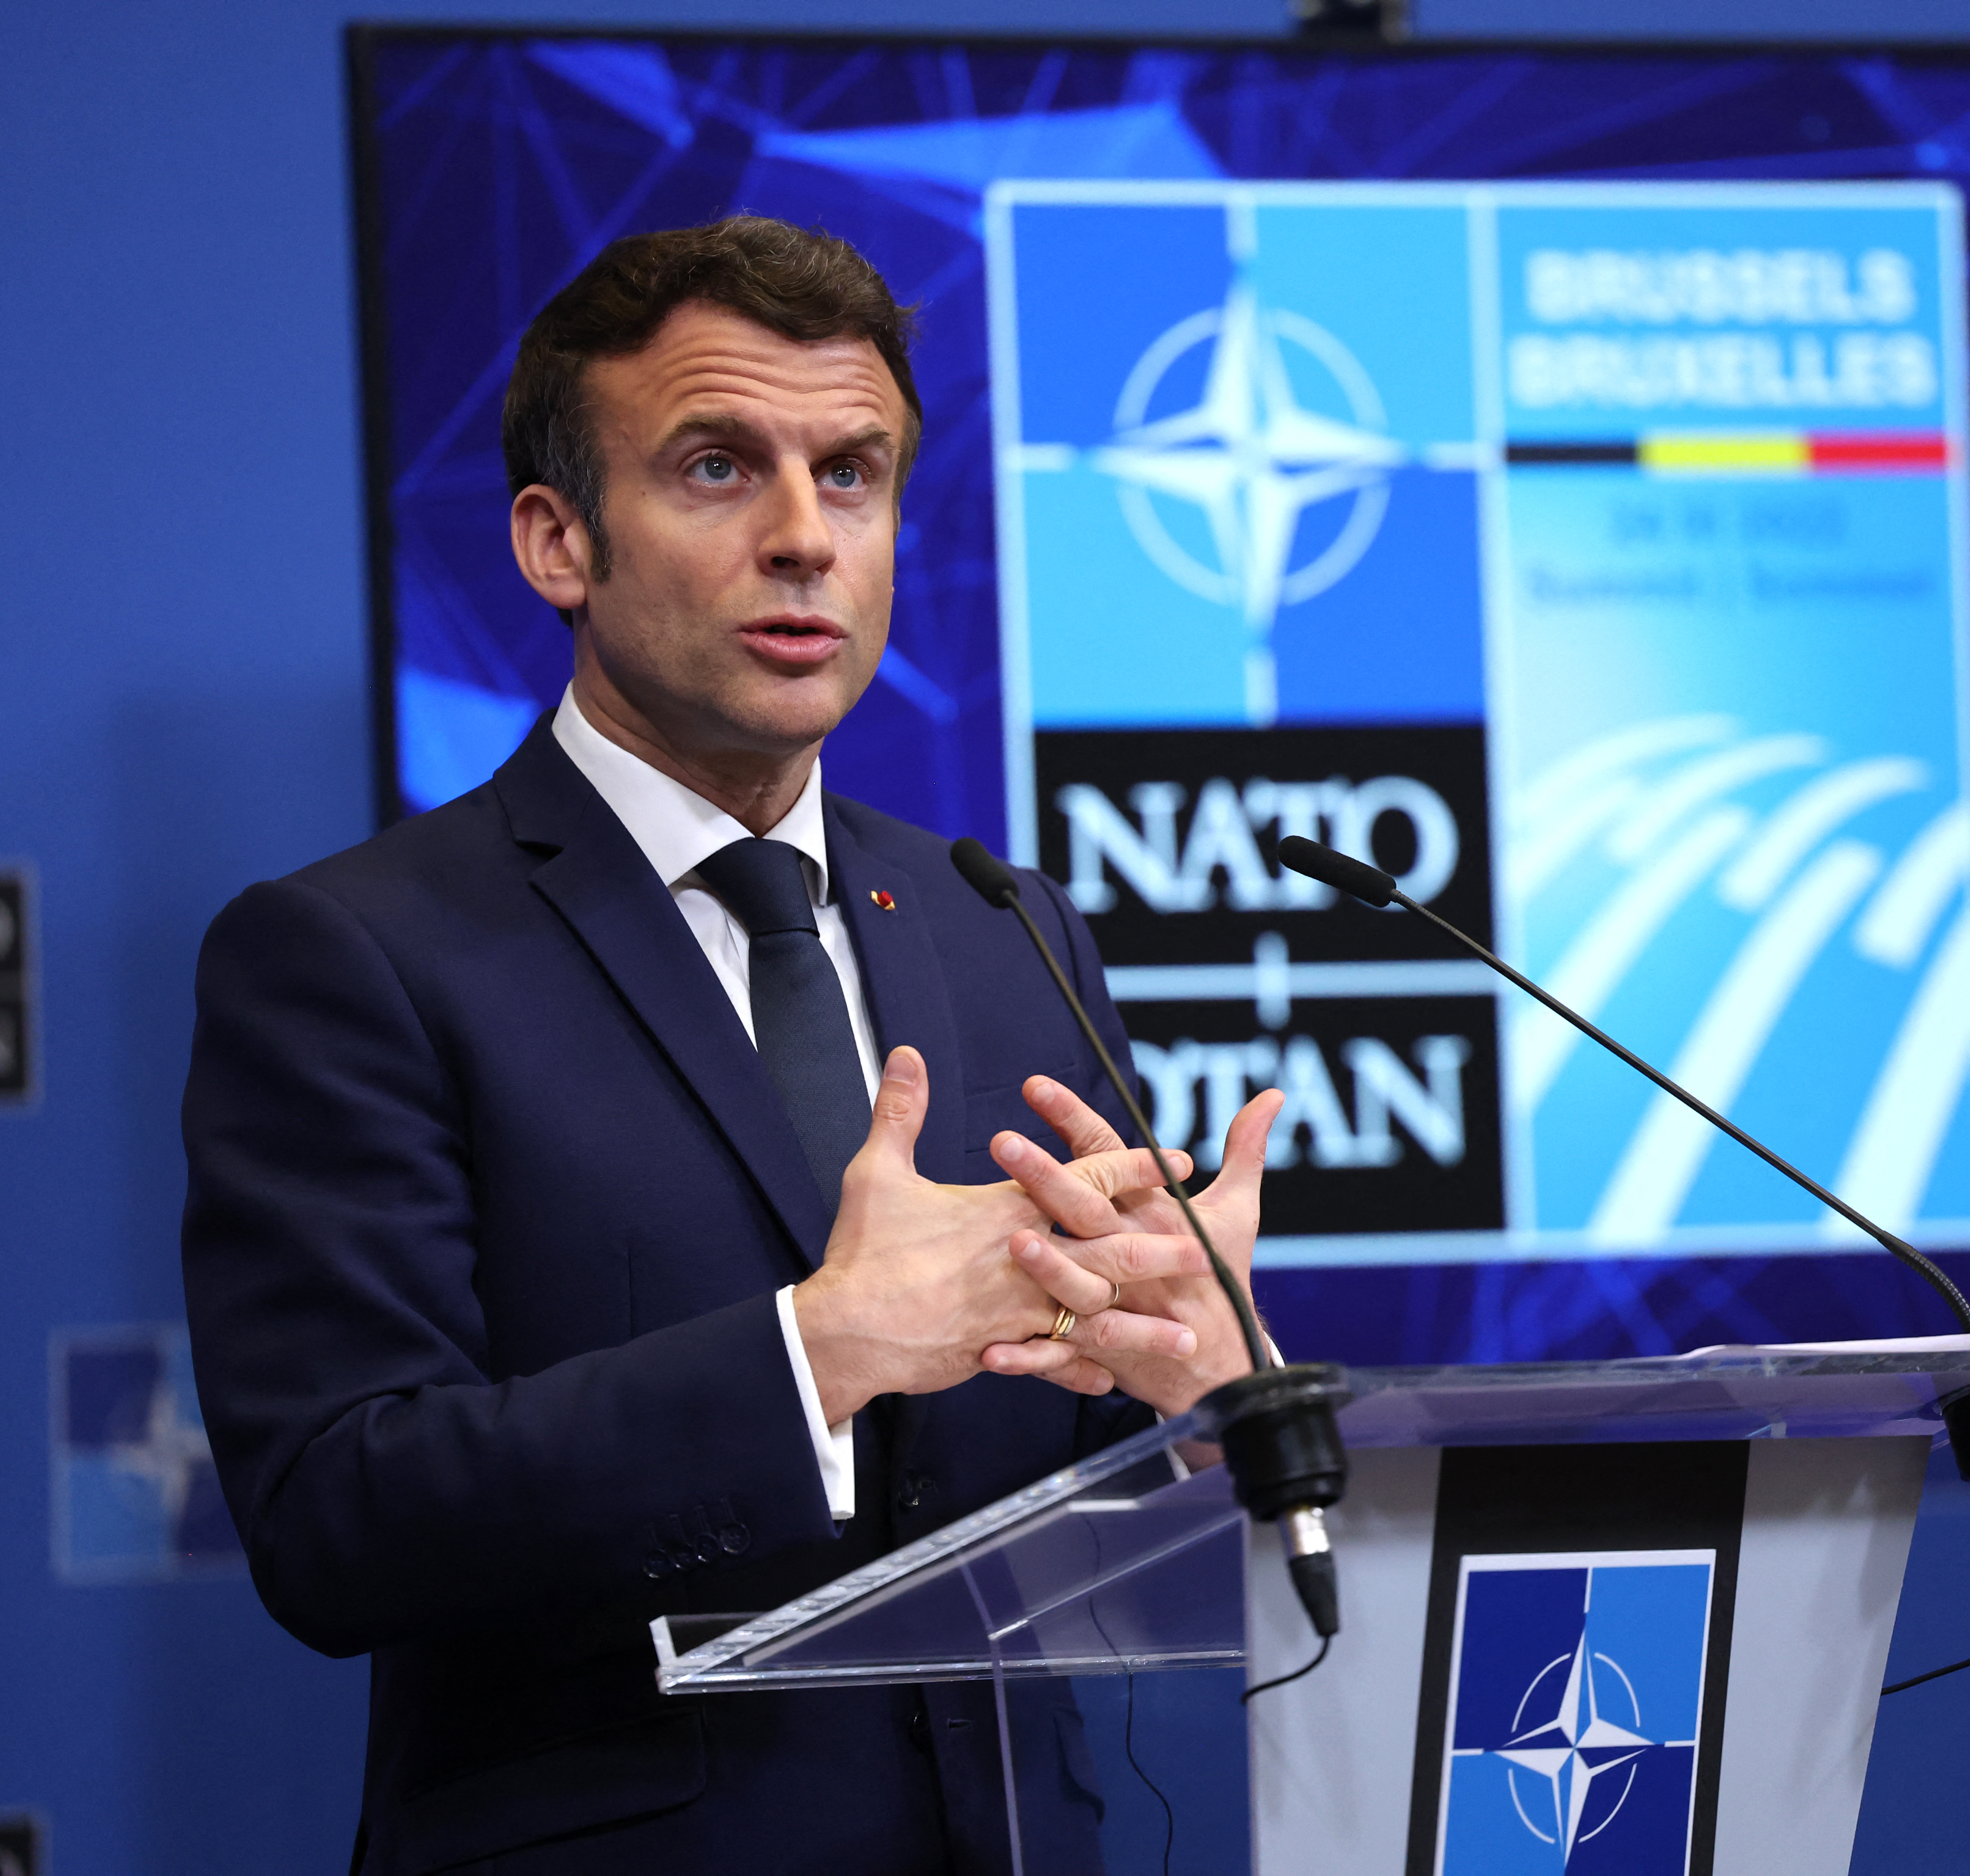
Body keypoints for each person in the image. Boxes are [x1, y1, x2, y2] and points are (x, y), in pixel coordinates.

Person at [181, 215, 1282, 1876]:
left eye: (853, 475)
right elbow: (342, 1521)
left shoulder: (1003, 926)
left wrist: (1203, 1390)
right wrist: (816, 1353)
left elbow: (1076, 1496)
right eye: (717, 468)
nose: (802, 538)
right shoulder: (359, 955)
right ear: (559, 542)